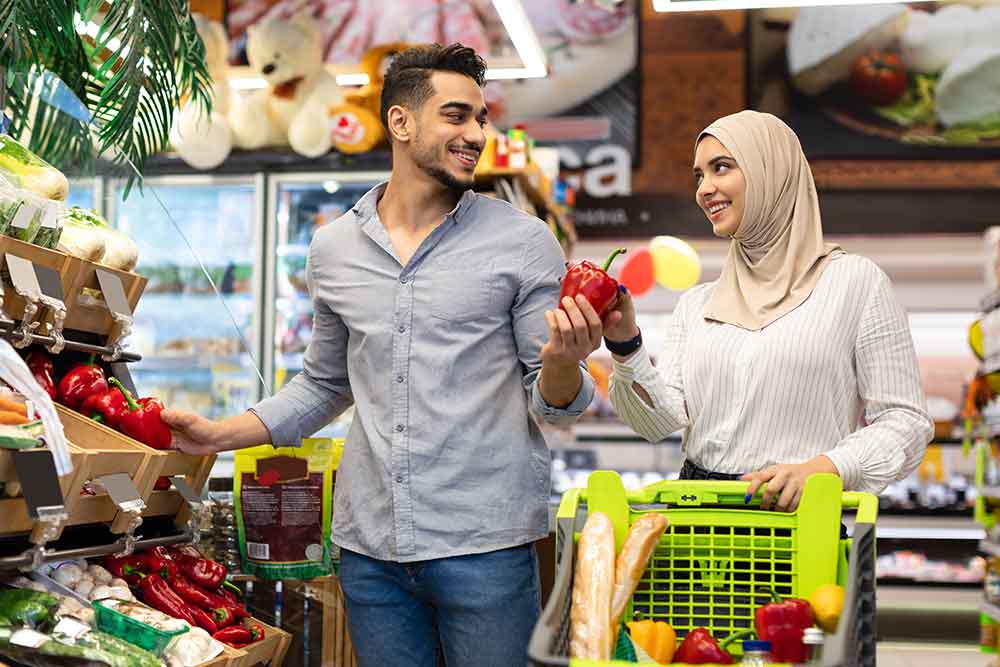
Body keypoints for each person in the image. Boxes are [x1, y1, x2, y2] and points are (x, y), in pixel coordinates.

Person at [161, 43, 603, 666]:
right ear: (400, 123)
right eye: (456, 116)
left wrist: (562, 364)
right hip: (371, 551)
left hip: (485, 547)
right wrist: (217, 434)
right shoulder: (334, 248)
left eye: (480, 118)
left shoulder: (523, 242)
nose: (476, 134)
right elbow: (322, 384)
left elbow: (555, 405)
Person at [603, 110, 932, 511]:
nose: (705, 188)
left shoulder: (855, 285)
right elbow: (658, 422)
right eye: (699, 176)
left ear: (771, 171)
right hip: (696, 519)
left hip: (796, 519)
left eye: (720, 168)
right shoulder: (697, 304)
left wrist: (827, 467)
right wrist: (625, 345)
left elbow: (906, 421)